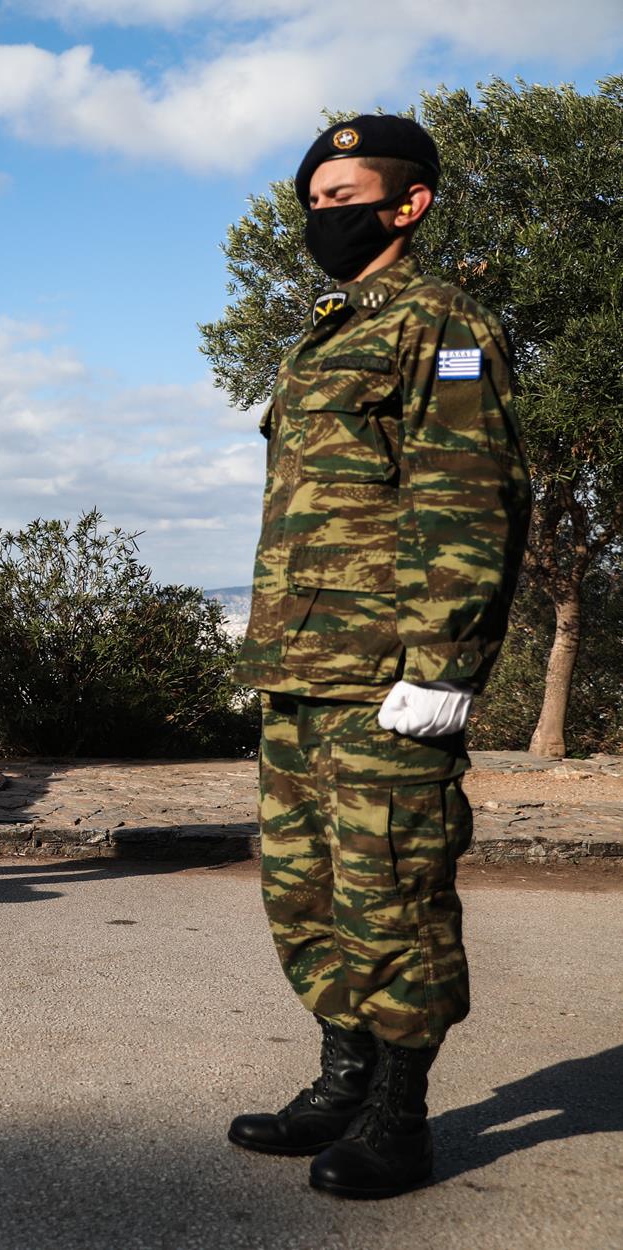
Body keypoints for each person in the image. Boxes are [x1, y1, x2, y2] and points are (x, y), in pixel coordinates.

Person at [226, 114, 531, 1199]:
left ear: (411, 204)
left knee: (394, 893)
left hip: (386, 676)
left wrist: (443, 668)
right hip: (303, 672)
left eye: (346, 195)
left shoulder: (442, 325)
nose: (326, 214)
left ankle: (402, 1116)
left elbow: (465, 498)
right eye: (315, 200)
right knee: (307, 895)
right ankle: (342, 1078)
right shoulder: (324, 330)